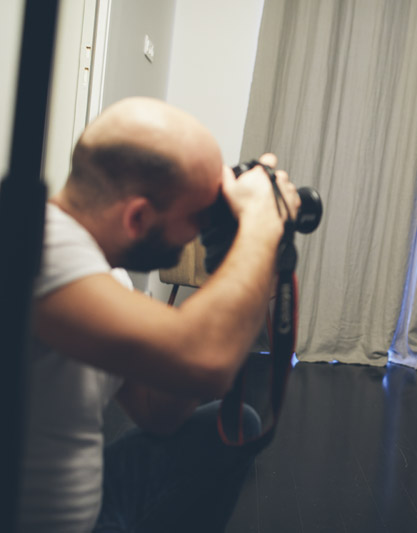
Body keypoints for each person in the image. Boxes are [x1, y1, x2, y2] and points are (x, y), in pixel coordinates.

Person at [18, 97, 301, 532]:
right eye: (199, 216)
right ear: (138, 217)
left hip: (89, 502)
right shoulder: (35, 248)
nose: (198, 233)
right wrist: (261, 222)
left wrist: (235, 250)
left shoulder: (104, 273)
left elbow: (159, 414)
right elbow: (205, 361)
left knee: (234, 423)